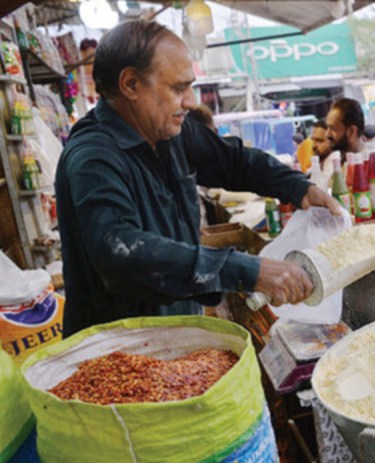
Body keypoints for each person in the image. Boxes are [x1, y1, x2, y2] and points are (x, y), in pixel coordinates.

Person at [55, 20, 340, 337]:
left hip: (177, 330)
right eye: (178, 88)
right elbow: (122, 252)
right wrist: (249, 271)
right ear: (131, 84)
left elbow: (233, 161)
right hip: (118, 347)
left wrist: (299, 188)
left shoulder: (168, 132)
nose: (190, 101)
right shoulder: (92, 158)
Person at [326, 98, 375, 172]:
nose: (327, 134)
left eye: (333, 129)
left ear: (351, 131)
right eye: (327, 128)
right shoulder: (342, 161)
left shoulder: (373, 161)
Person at [309, 119, 336, 185]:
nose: (314, 145)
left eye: (319, 141)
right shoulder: (321, 162)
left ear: (333, 142)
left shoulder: (335, 163)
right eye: (312, 140)